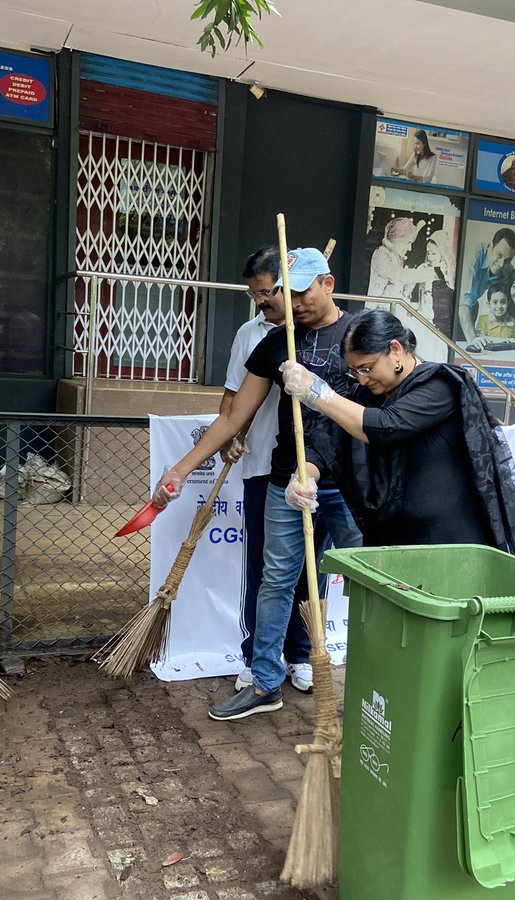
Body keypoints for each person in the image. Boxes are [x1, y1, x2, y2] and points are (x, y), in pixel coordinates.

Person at [152, 248, 362, 721]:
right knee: (276, 581)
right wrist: (181, 469)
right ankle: (266, 681)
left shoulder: (363, 333)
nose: (294, 300)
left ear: (328, 284)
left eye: (302, 289)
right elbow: (232, 418)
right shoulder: (276, 342)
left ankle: (378, 673)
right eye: (286, 290)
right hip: (288, 480)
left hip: (350, 482)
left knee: (369, 576)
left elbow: (385, 414)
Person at [279, 309, 515, 554]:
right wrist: (304, 476)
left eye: (367, 368)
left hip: (449, 542)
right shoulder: (366, 395)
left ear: (396, 350)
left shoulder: (439, 385)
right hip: (391, 540)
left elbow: (387, 425)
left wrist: (319, 395)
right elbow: (326, 441)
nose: (363, 379)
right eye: (355, 372)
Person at [221, 247, 327, 694]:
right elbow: (232, 399)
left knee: (309, 566)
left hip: (311, 469)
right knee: (266, 570)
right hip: (262, 463)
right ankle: (256, 657)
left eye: (267, 292)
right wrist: (230, 434)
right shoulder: (251, 334)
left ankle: (300, 653)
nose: (262, 301)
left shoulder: (314, 335)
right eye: (256, 294)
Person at [460, 228, 515, 342]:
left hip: (472, 306)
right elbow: (463, 301)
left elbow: (506, 303)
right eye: (499, 255)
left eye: (507, 260)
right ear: (491, 246)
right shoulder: (473, 255)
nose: (502, 264)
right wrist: (473, 341)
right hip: (453, 303)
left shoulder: (508, 270)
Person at [367, 217, 433, 301]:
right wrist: (427, 273)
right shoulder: (381, 254)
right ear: (398, 240)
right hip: (374, 310)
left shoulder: (395, 257)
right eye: (408, 242)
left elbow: (399, 285)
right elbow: (399, 275)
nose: (409, 248)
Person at [410, 229, 455, 336]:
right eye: (428, 253)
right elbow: (409, 287)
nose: (430, 257)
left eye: (433, 253)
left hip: (443, 320)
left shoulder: (449, 270)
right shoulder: (423, 268)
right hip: (425, 316)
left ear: (442, 251)